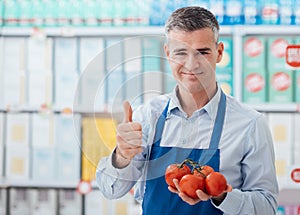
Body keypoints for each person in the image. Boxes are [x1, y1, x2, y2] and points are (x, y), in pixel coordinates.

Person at [96, 6, 279, 215]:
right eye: (181, 53)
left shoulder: (250, 124)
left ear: (219, 53)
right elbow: (109, 189)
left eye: (202, 52)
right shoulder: (147, 117)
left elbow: (267, 207)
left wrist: (223, 195)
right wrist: (121, 156)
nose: (191, 64)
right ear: (167, 53)